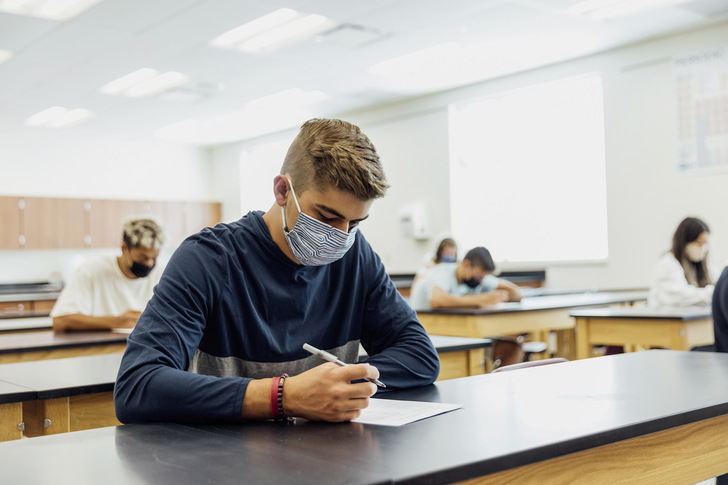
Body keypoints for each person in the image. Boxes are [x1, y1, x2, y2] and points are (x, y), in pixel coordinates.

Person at [114, 118, 440, 424]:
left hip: (328, 458)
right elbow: (137, 384)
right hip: (225, 460)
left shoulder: (356, 256)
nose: (341, 236)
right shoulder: (207, 259)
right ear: (282, 191)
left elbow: (419, 355)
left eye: (354, 223)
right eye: (326, 218)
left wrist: (335, 385)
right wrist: (283, 395)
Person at [51, 217, 166, 332]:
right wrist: (117, 321)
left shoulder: (162, 274)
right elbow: (61, 321)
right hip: (104, 348)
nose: (149, 263)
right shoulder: (92, 270)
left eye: (154, 258)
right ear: (124, 248)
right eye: (142, 257)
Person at [408, 246, 523, 311]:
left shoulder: (479, 278)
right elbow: (436, 300)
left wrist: (499, 297)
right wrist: (480, 300)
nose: (480, 280)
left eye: (483, 276)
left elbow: (517, 294)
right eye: (478, 275)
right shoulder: (443, 272)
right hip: (423, 325)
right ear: (466, 264)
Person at [647, 217, 718, 307]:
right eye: (698, 243)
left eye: (705, 243)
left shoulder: (702, 266)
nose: (703, 248)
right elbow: (680, 296)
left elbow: (720, 282)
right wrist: (714, 292)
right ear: (684, 242)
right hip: (666, 319)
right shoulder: (668, 264)